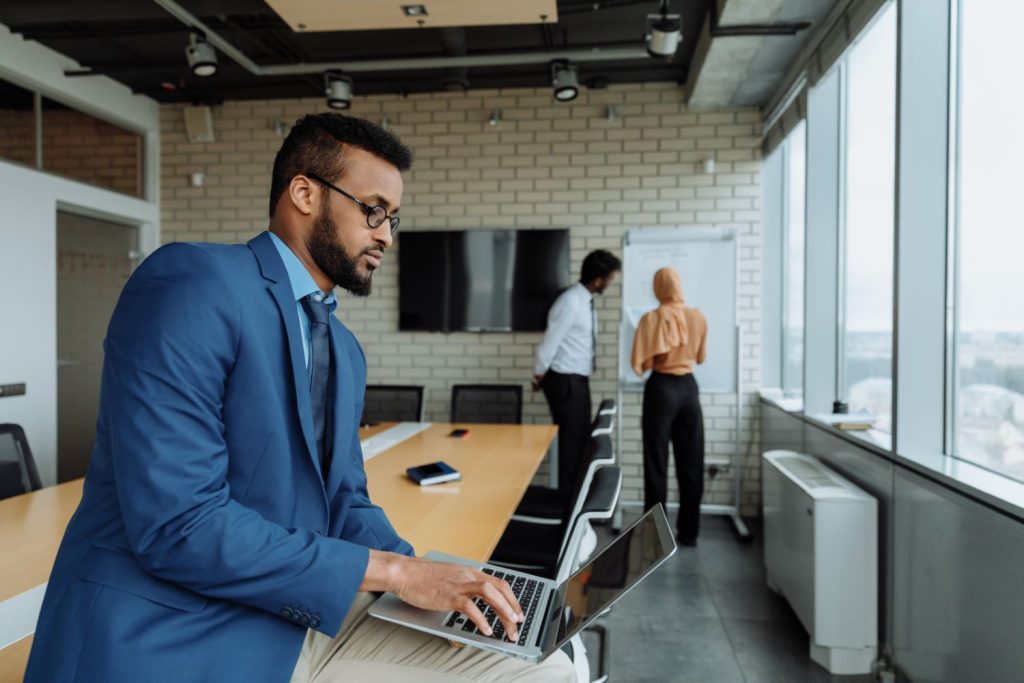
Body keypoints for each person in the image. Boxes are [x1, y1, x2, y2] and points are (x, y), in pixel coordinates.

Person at [25, 113, 573, 683]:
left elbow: (344, 500)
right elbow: (179, 525)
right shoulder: (193, 283)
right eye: (373, 210)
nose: (386, 234)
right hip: (174, 634)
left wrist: (422, 574)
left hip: (290, 613)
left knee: (543, 663)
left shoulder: (342, 345)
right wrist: (390, 573)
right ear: (305, 193)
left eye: (393, 217)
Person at [532, 249, 621, 494]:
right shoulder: (571, 301)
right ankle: (566, 503)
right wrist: (538, 373)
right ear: (597, 279)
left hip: (577, 379)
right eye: (610, 278)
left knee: (580, 442)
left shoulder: (584, 302)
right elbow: (550, 341)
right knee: (571, 446)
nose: (610, 282)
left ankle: (576, 498)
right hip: (565, 380)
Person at [630, 266, 708, 546]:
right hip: (689, 390)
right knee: (692, 463)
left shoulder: (651, 319)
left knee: (656, 464)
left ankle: (655, 537)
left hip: (661, 389)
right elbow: (700, 357)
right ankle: (689, 533)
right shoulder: (697, 317)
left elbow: (645, 363)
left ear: (658, 287)